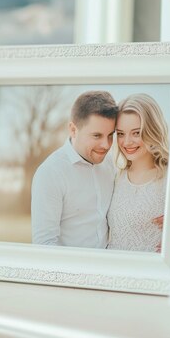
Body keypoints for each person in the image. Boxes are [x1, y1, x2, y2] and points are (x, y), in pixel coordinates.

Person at [31, 90, 118, 248]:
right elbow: (44, 244)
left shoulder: (111, 165)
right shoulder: (50, 173)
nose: (106, 145)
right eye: (97, 136)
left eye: (110, 135)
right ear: (73, 130)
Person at [106, 93, 169, 253]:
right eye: (120, 133)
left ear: (152, 130)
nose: (127, 142)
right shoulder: (115, 176)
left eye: (136, 133)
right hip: (111, 272)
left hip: (152, 273)